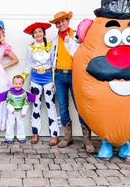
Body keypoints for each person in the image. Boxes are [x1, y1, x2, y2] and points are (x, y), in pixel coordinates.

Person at [49, 11, 95, 153]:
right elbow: (52, 59)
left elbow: (83, 54)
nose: (60, 24)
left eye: (63, 21)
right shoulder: (55, 40)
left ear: (68, 21)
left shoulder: (77, 36)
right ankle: (67, 137)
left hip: (75, 75)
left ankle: (87, 139)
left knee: (80, 106)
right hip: (59, 75)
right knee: (63, 106)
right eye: (58, 22)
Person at [22, 22, 60, 146]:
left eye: (40, 31)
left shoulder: (51, 46)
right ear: (33, 35)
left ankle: (54, 134)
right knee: (35, 105)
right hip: (35, 79)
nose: (38, 34)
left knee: (51, 105)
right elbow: (28, 65)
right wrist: (22, 78)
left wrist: (54, 80)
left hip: (48, 78)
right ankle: (35, 133)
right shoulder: (30, 48)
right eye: (35, 32)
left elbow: (54, 63)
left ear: (43, 33)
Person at [0, 75, 36, 144]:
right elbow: (7, 102)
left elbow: (26, 103)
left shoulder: (24, 94)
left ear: (22, 84)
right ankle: (9, 137)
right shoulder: (9, 93)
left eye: (20, 84)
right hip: (11, 112)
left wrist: (23, 112)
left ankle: (21, 137)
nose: (18, 85)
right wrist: (11, 110)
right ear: (13, 84)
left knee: (21, 124)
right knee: (10, 124)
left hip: (20, 111)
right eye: (16, 84)